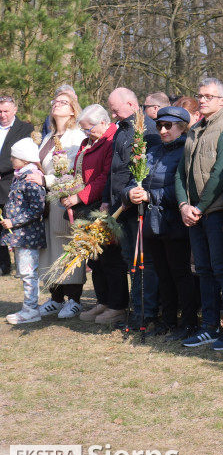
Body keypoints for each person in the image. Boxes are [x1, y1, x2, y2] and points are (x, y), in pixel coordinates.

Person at [175, 78, 223, 350]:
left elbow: (221, 172)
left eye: (208, 96)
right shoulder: (194, 130)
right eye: (200, 95)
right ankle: (209, 326)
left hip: (215, 213)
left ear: (222, 101)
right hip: (194, 213)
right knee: (203, 270)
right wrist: (184, 205)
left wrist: (200, 207)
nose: (202, 100)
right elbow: (181, 172)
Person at [124, 106, 198, 339]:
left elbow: (185, 187)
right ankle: (167, 321)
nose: (163, 130)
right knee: (162, 274)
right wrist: (131, 193)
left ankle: (187, 323)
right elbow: (135, 178)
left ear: (183, 127)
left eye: (168, 126)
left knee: (180, 273)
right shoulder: (152, 150)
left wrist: (152, 196)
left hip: (175, 222)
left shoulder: (188, 150)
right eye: (159, 126)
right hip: (151, 222)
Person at [104, 87, 156, 327]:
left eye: (116, 110)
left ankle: (145, 313)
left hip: (136, 208)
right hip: (119, 207)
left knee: (141, 262)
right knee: (129, 260)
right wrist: (107, 198)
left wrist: (130, 196)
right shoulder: (120, 130)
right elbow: (113, 170)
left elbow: (144, 171)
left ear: (131, 104)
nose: (113, 115)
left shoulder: (146, 131)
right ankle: (136, 310)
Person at [37, 92, 87, 318]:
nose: (57, 104)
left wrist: (45, 180)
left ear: (73, 110)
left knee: (67, 248)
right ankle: (55, 297)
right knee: (49, 250)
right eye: (55, 101)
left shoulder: (76, 137)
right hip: (46, 200)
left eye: (63, 102)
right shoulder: (48, 136)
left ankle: (74, 299)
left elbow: (76, 172)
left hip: (64, 199)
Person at [72, 106, 121, 323]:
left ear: (102, 122)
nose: (85, 133)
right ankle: (103, 301)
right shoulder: (88, 142)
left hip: (101, 206)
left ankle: (117, 304)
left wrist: (79, 196)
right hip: (86, 206)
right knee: (96, 259)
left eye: (88, 128)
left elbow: (105, 176)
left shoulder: (111, 140)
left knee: (110, 259)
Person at [2, 139, 47, 324]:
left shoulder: (30, 178)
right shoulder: (19, 176)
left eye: (15, 156)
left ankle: (31, 310)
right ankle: (29, 307)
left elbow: (37, 209)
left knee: (28, 273)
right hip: (20, 235)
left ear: (25, 158)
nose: (11, 159)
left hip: (28, 235)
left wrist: (14, 221)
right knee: (24, 271)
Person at [0, 93, 35, 276]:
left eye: (6, 111)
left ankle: (22, 265)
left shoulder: (24, 129)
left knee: (13, 224)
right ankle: (3, 264)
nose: (2, 115)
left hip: (12, 183)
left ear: (15, 109)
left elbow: (23, 156)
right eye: (0, 111)